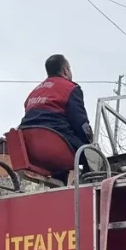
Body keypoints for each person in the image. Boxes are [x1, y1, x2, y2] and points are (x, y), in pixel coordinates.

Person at [20, 54, 95, 183]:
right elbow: (80, 123)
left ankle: (59, 185)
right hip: (56, 144)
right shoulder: (70, 88)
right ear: (65, 70)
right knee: (93, 155)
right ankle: (92, 187)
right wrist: (90, 142)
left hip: (29, 149)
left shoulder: (34, 93)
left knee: (62, 151)